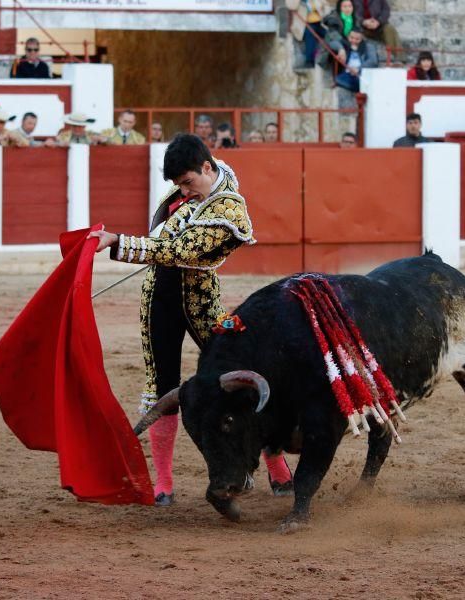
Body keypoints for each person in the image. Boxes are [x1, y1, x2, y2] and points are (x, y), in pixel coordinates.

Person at [86, 134, 293, 506]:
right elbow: (162, 240)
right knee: (161, 383)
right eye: (179, 185)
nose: (184, 191)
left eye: (189, 182)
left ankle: (276, 464)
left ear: (208, 168)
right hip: (158, 297)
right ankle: (163, 482)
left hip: (201, 300)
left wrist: (118, 242)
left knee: (238, 379)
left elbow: (176, 249)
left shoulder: (231, 211)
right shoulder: (188, 192)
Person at [334, 28, 377, 92]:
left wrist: (358, 69)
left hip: (361, 73)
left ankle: (358, 88)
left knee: (359, 81)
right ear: (348, 36)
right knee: (338, 79)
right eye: (351, 38)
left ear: (362, 38)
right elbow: (332, 42)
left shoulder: (368, 46)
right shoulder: (344, 44)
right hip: (347, 73)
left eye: (357, 39)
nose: (353, 41)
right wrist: (341, 49)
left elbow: (373, 61)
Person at [322, 0, 355, 65]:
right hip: (334, 45)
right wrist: (342, 48)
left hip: (349, 44)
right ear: (339, 8)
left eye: (349, 6)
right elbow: (334, 38)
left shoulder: (355, 18)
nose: (347, 9)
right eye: (344, 6)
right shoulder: (334, 20)